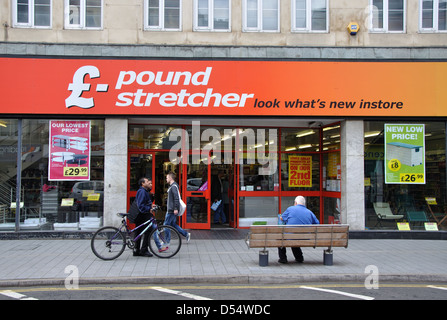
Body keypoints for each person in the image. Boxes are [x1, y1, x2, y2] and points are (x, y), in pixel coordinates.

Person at [278, 195, 319, 264]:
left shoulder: (290, 209)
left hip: (291, 237)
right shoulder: (309, 212)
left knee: (281, 238)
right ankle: (299, 257)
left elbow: (282, 218)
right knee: (295, 237)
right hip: (306, 238)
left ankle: (283, 259)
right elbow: (317, 223)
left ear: (295, 202)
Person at [165, 172, 191, 242]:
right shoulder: (173, 186)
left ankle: (167, 241)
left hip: (171, 210)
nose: (166, 179)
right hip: (172, 209)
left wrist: (175, 208)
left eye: (167, 178)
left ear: (170, 178)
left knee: (166, 225)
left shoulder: (173, 187)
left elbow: (176, 198)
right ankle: (186, 234)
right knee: (173, 224)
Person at [133, 177, 155, 257]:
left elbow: (145, 202)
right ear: (142, 183)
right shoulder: (142, 191)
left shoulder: (145, 191)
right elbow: (141, 206)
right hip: (142, 215)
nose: (149, 182)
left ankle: (136, 250)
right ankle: (144, 250)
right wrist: (149, 208)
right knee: (148, 231)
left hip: (141, 215)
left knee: (139, 232)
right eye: (147, 182)